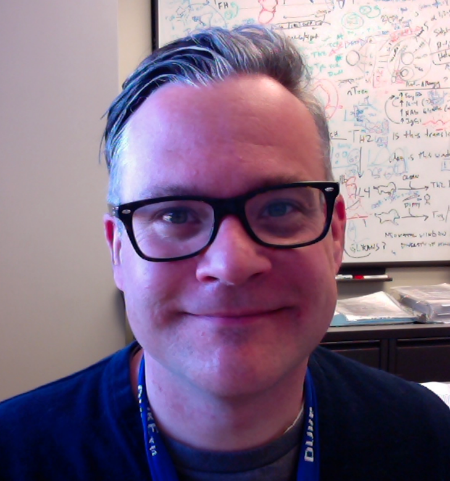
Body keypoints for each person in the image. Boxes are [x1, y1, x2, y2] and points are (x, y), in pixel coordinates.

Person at [1, 25, 449, 481]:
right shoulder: (15, 454)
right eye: (175, 216)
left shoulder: (427, 439)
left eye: (279, 207)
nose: (232, 265)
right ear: (118, 250)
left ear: (335, 237)